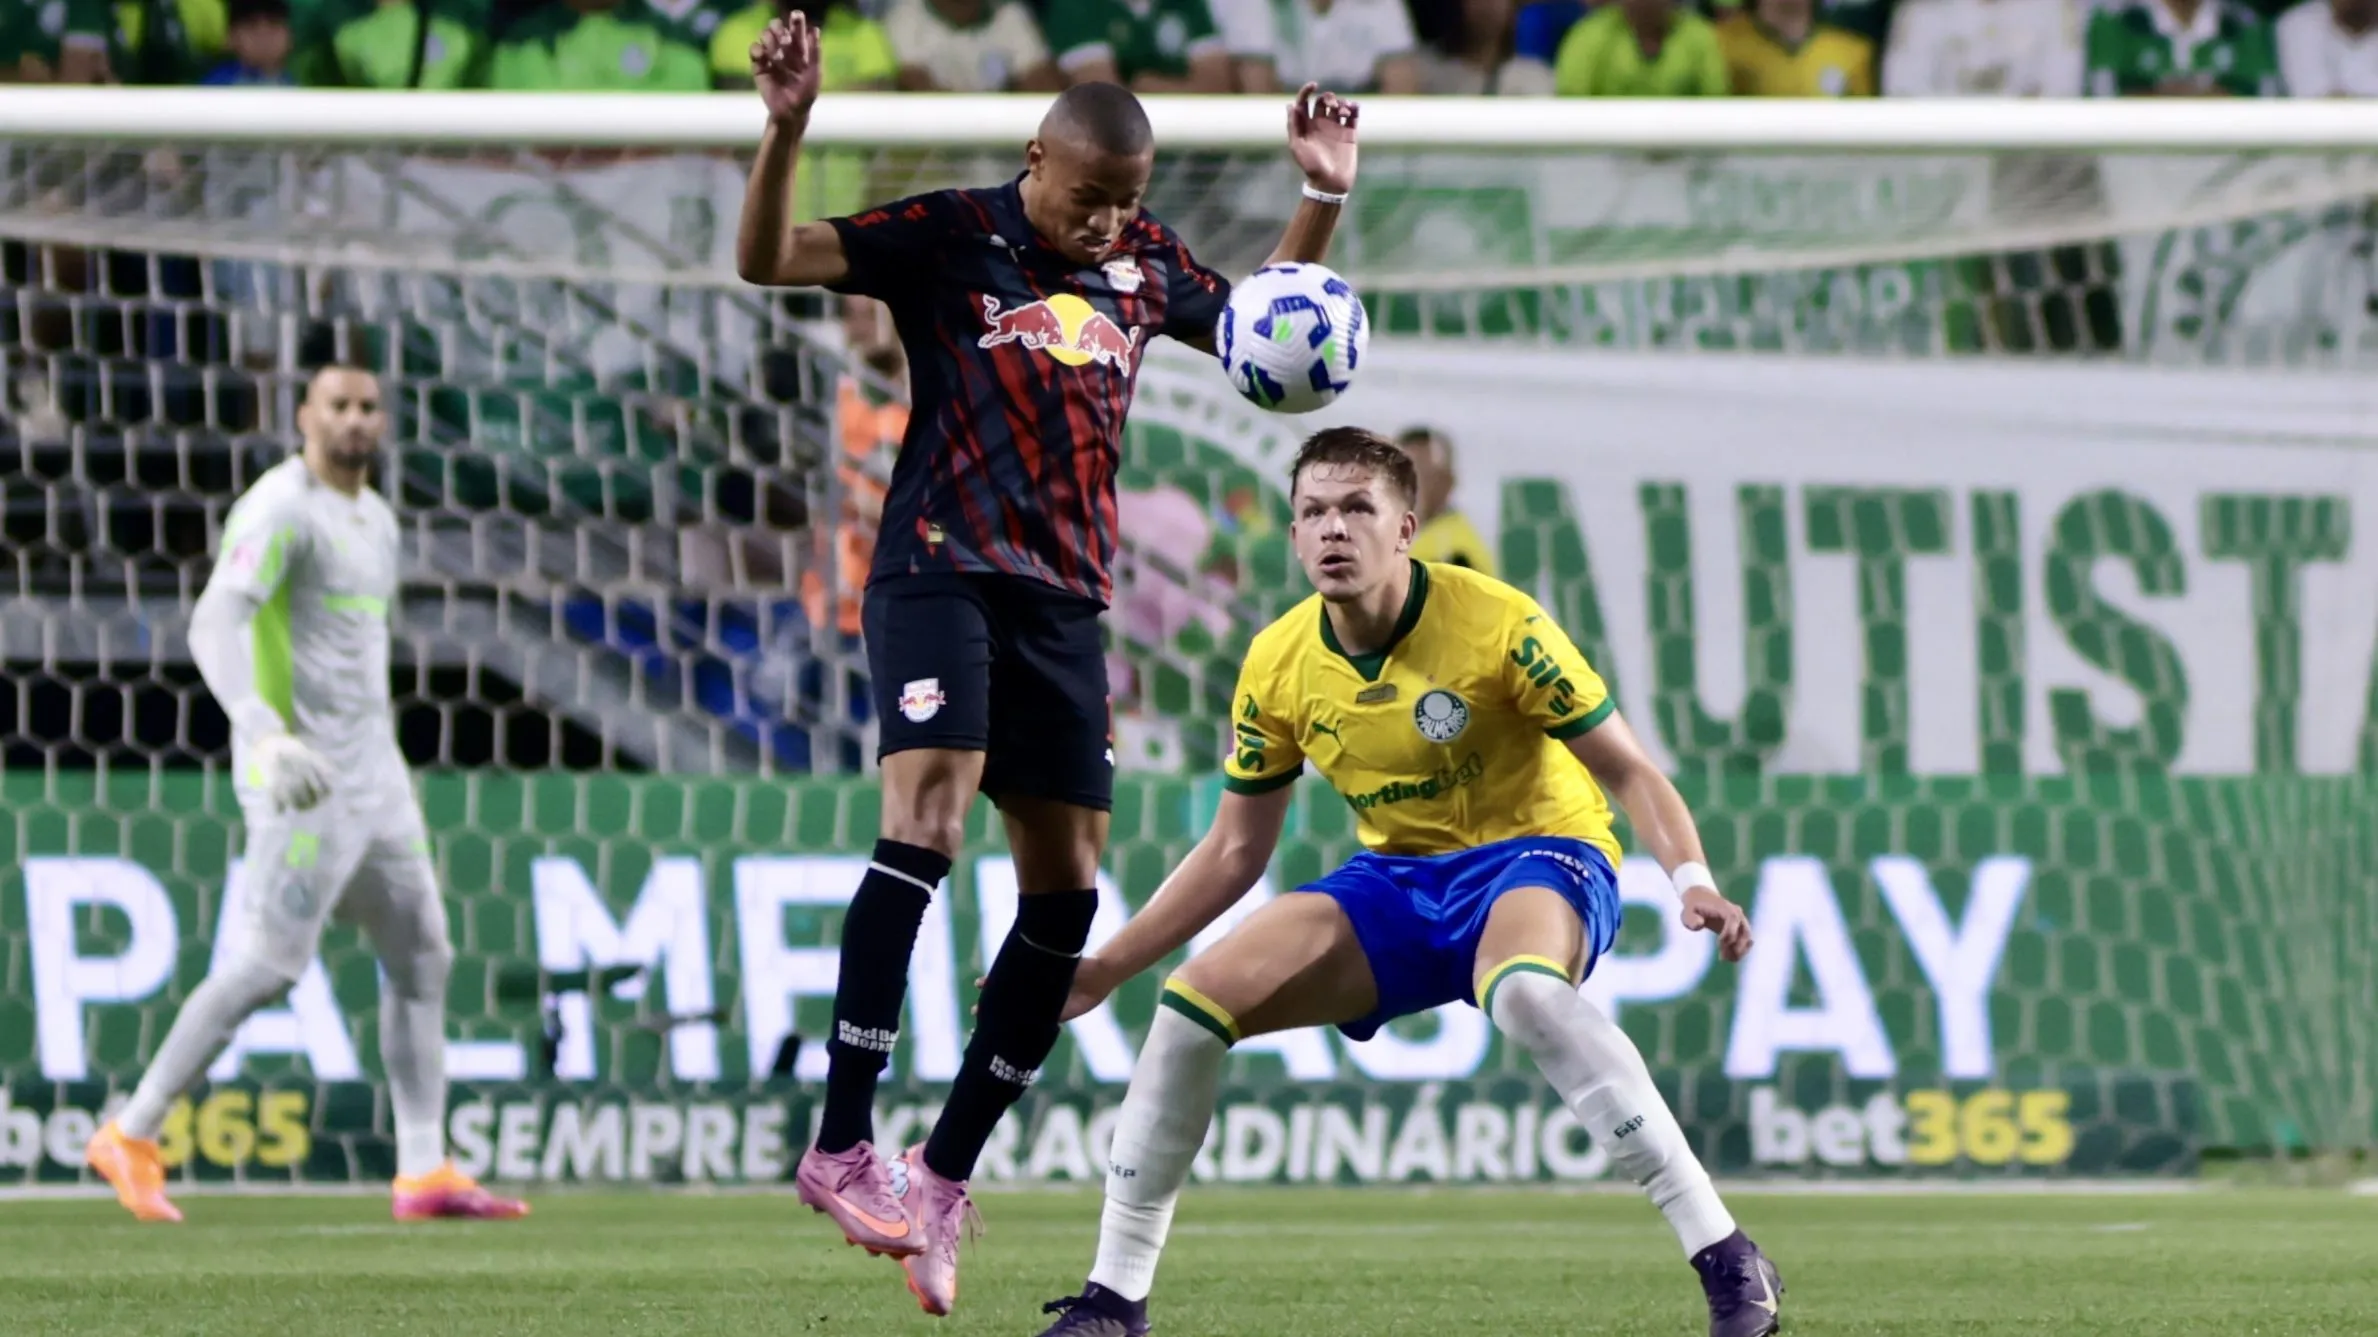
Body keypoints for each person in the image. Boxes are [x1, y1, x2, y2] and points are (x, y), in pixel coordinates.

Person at [734, 13, 1361, 1317]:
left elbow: (1261, 340)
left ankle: (940, 1174)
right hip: (937, 563)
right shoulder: (951, 233)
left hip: (1066, 603)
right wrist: (786, 129)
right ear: (1036, 161)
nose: (1101, 227)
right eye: (1086, 202)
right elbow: (768, 258)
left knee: (1066, 892)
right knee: (928, 804)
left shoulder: (1142, 261)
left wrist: (1317, 199)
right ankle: (840, 1139)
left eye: (1122, 206)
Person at [1031, 428, 1781, 1337]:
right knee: (1190, 1008)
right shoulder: (1276, 661)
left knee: (1530, 999)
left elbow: (1628, 770)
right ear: (1295, 534)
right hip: (1394, 878)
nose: (1332, 529)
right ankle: (1114, 1300)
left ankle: (1727, 1256)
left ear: (1407, 529)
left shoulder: (1499, 621)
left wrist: (1691, 878)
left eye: (1357, 509)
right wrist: (1107, 968)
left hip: (1539, 851)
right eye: (1313, 511)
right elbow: (1236, 851)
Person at [83, 364, 530, 1227]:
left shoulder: (377, 518)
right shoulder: (279, 506)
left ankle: (423, 1167)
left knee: (424, 955)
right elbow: (214, 618)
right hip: (304, 779)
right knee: (266, 966)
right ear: (304, 416)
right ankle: (129, 1134)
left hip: (377, 778)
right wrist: (264, 730)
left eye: (369, 406)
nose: (356, 419)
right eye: (339, 406)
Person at [1393, 425, 1495, 575]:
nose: (1413, 485)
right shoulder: (1409, 534)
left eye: (1425, 474)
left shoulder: (1455, 552)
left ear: (1448, 481)